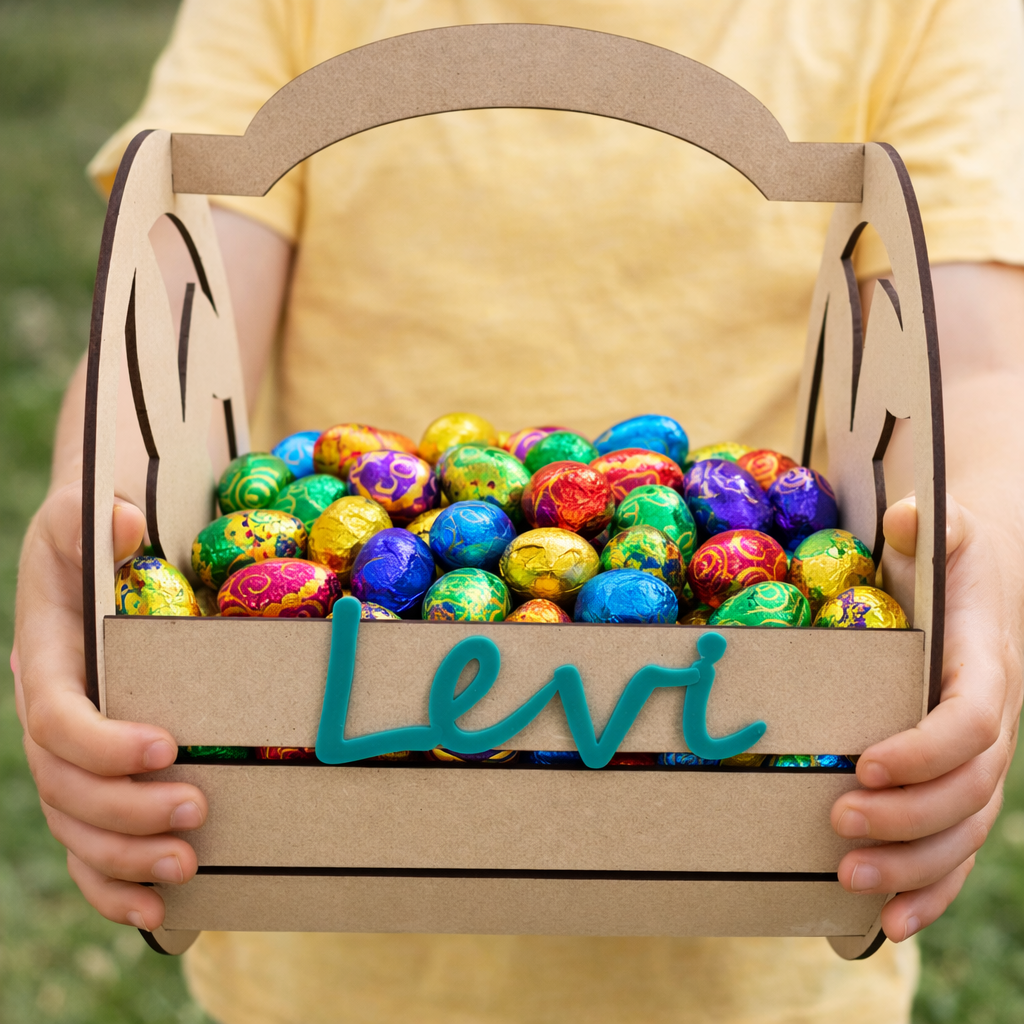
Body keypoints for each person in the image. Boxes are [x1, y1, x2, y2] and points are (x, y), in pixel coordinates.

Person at [12, 1, 1024, 1022]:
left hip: (763, 918)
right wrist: (101, 527)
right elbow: (175, 307)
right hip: (318, 908)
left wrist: (961, 594)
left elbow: (973, 365)